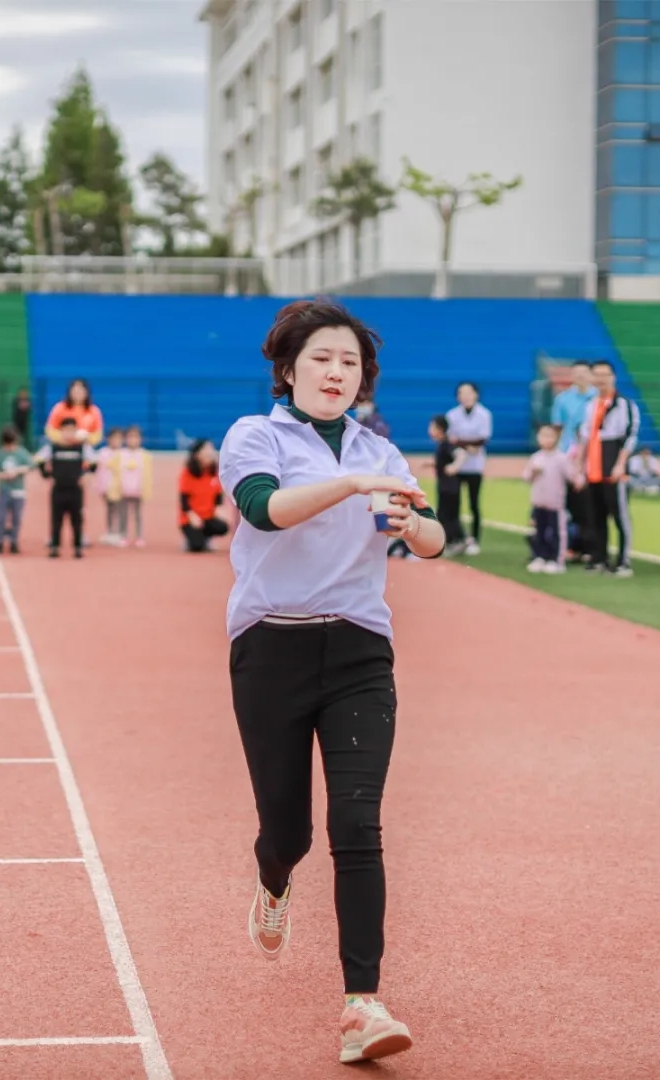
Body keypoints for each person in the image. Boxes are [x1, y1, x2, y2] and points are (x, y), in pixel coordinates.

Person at [219, 298, 446, 1066]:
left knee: (357, 824)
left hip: (357, 652)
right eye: (322, 358)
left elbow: (435, 534)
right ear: (289, 368)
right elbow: (264, 510)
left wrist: (414, 526)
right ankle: (273, 879)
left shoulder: (379, 452)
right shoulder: (256, 436)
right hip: (269, 650)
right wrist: (351, 485)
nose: (337, 372)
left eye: (350, 362)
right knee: (291, 832)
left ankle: (362, 1006)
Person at [578, 360, 640, 578]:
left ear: (613, 377)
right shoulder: (590, 405)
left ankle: (623, 561)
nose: (601, 379)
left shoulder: (624, 405)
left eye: (605, 375)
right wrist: (580, 468)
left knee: (619, 515)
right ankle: (599, 558)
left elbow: (630, 437)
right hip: (593, 466)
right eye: (597, 375)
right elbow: (585, 438)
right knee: (596, 516)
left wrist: (620, 464)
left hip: (612, 464)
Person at [550, 360, 596, 560]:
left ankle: (590, 547)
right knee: (571, 503)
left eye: (584, 373)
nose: (580, 377)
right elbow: (558, 428)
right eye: (576, 373)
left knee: (590, 504)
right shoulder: (563, 399)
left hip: (592, 456)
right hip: (568, 455)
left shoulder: (598, 398)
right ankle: (573, 546)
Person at [36, 416, 97, 558]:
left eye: (72, 430)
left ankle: (77, 547)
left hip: (75, 489)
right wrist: (46, 474)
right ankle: (55, 547)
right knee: (56, 519)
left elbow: (94, 461)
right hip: (58, 488)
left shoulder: (82, 447)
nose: (69, 433)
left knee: (77, 519)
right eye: (66, 430)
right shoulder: (53, 447)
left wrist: (87, 474)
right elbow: (39, 459)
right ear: (61, 431)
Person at [523, 423, 579, 574]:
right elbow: (527, 477)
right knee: (539, 531)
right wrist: (534, 472)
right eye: (543, 436)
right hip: (539, 501)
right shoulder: (536, 458)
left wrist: (577, 475)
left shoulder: (561, 458)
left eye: (549, 436)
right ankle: (540, 556)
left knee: (557, 532)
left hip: (555, 503)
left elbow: (572, 476)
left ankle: (556, 559)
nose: (546, 439)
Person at [445, 381, 492, 555]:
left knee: (474, 503)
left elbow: (482, 440)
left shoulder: (484, 414)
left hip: (475, 466)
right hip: (457, 466)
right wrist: (468, 445)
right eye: (461, 393)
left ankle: (475, 539)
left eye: (469, 393)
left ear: (476, 394)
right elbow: (452, 439)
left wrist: (463, 442)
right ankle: (458, 538)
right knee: (454, 503)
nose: (465, 396)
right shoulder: (452, 415)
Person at [179, 439, 229, 553]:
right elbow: (183, 498)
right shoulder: (188, 473)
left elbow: (217, 494)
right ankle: (192, 539)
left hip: (208, 516)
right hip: (191, 519)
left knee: (223, 527)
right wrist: (191, 516)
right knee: (196, 547)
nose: (210, 452)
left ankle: (207, 538)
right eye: (207, 449)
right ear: (197, 454)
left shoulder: (213, 472)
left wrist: (219, 508)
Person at [0, 426, 34, 555]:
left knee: (16, 517)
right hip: (4, 489)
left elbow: (31, 466)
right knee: (0, 517)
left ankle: (14, 542)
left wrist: (18, 471)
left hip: (18, 490)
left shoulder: (21, 453)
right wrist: (4, 475)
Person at [427, 414, 464, 556]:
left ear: (440, 429)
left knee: (447, 514)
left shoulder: (447, 444)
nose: (430, 430)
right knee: (444, 514)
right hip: (444, 485)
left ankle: (455, 541)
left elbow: (461, 454)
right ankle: (453, 541)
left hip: (450, 487)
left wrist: (454, 467)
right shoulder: (441, 445)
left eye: (432, 427)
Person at [44, 378, 104, 447]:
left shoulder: (94, 411)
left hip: (85, 447)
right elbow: (50, 430)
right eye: (75, 391)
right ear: (69, 392)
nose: (78, 394)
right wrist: (64, 438)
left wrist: (86, 438)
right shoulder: (59, 408)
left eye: (80, 391)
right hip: (60, 446)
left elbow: (98, 435)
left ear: (87, 393)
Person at [119, 424, 152, 548]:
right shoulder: (120, 454)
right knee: (123, 514)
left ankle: (139, 536)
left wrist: (145, 488)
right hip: (124, 489)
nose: (133, 440)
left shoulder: (144, 455)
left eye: (136, 437)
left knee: (138, 515)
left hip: (138, 489)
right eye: (130, 437)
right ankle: (123, 535)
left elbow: (147, 474)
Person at [96, 428, 127, 546]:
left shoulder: (124, 454)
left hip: (121, 488)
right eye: (113, 439)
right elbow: (100, 473)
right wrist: (100, 488)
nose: (116, 441)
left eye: (119, 439)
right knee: (110, 511)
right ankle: (110, 531)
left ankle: (121, 532)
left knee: (121, 510)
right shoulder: (103, 453)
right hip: (107, 488)